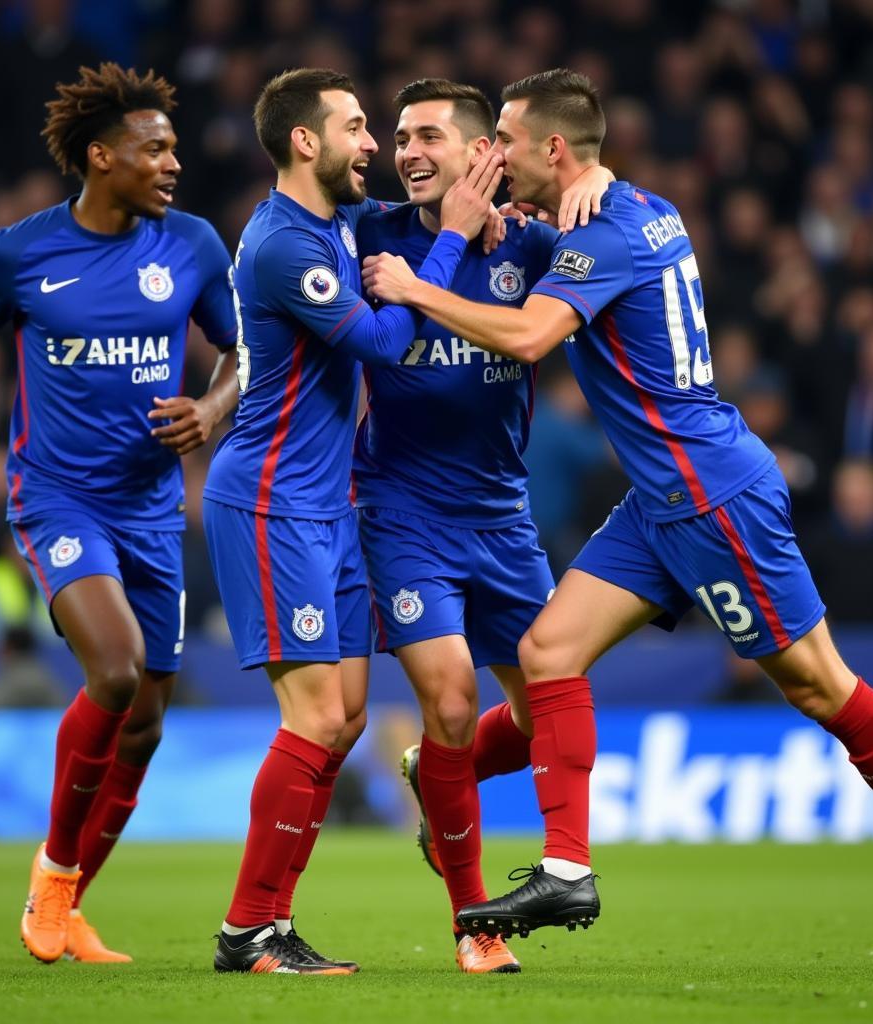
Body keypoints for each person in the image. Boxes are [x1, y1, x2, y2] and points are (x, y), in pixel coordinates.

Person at [363, 68, 873, 954]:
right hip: (658, 499)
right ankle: (566, 868)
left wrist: (415, 288)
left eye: (503, 140)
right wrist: (535, 221)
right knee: (548, 651)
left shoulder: (605, 234)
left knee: (823, 686)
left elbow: (531, 335)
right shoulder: (636, 207)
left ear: (552, 147)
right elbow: (579, 242)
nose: (491, 157)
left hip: (712, 496)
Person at [0, 63, 240, 964]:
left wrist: (210, 410)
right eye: (153, 149)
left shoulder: (195, 246)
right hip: (56, 497)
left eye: (174, 148)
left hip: (152, 508)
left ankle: (66, 901)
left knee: (149, 721)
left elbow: (244, 357)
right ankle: (51, 883)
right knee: (118, 673)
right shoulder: (20, 251)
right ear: (101, 156)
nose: (173, 163)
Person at [201, 67, 504, 976]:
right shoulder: (284, 243)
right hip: (269, 502)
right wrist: (447, 245)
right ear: (306, 140)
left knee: (346, 719)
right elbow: (380, 340)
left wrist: (491, 220)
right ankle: (248, 931)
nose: (375, 144)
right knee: (315, 716)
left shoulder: (335, 220)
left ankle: (271, 923)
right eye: (359, 126)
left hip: (328, 506)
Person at [354, 77, 611, 974]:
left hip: (503, 518)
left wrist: (598, 176)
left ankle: (436, 775)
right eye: (400, 136)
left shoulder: (533, 247)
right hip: (402, 511)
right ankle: (477, 924)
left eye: (430, 136)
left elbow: (615, 220)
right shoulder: (369, 237)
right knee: (454, 698)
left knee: (543, 714)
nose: (409, 151)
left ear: (482, 154)